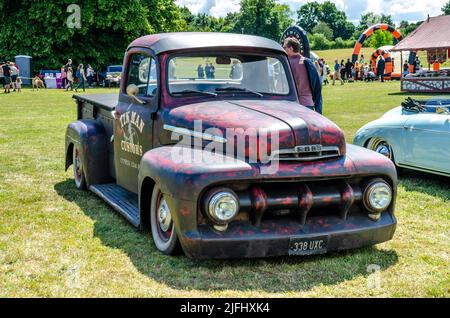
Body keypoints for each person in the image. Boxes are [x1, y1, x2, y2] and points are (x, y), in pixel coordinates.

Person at [283, 37, 323, 114]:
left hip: (290, 105)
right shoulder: (307, 62)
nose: (283, 49)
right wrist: (319, 110)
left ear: (291, 48)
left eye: (284, 47)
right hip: (307, 104)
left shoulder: (285, 63)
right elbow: (317, 87)